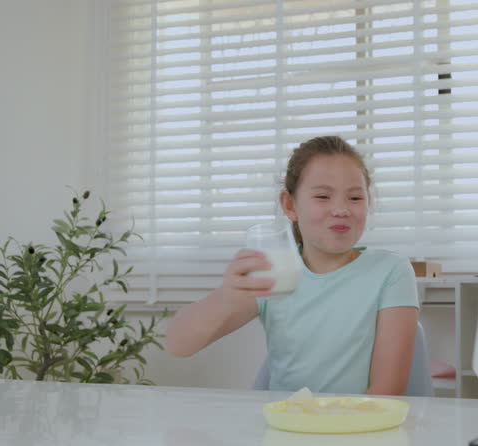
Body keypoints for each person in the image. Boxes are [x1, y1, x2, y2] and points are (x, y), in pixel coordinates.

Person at [165, 136, 419, 395]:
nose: (341, 209)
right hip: (285, 418)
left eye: (355, 198)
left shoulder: (390, 271)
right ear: (290, 205)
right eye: (323, 196)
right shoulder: (274, 273)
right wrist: (226, 297)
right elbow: (177, 345)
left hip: (360, 419)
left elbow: (387, 391)